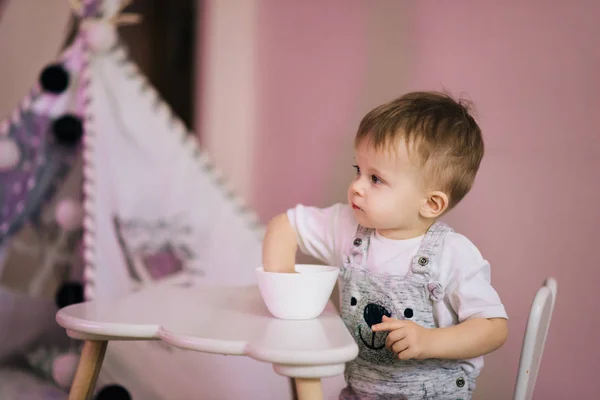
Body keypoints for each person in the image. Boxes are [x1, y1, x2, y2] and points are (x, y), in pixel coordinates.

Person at [262, 91, 508, 399]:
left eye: (375, 179)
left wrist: (429, 341)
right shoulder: (347, 226)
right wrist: (285, 284)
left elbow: (493, 328)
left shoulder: (453, 254)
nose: (356, 186)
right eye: (358, 171)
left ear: (431, 203)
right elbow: (284, 226)